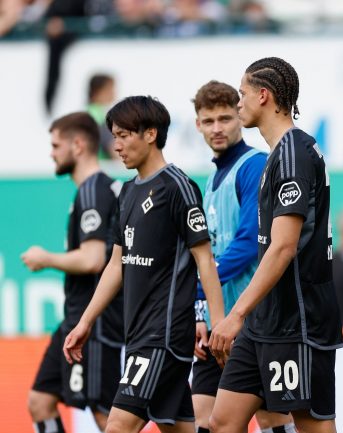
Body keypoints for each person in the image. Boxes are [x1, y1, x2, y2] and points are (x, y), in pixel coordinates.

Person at [62, 96, 225, 433]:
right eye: (114, 136)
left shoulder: (178, 187)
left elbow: (205, 261)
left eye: (123, 136)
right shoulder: (127, 193)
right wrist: (85, 322)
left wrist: (218, 323)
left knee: (117, 425)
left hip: (162, 336)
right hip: (137, 335)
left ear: (150, 134)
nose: (116, 146)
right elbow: (116, 265)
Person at [207, 57, 343, 433]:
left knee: (312, 426)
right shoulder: (279, 154)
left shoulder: (292, 154)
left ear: (263, 95)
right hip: (264, 319)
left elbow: (283, 247)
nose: (238, 103)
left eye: (242, 94)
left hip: (297, 319)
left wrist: (235, 314)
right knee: (222, 422)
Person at [190, 80, 295, 433]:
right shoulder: (211, 179)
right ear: (197, 125)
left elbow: (249, 242)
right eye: (208, 121)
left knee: (272, 418)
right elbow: (209, 252)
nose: (217, 128)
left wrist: (199, 287)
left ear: (239, 116)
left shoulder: (254, 166)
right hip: (219, 321)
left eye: (224, 118)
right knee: (204, 416)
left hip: (254, 318)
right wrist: (201, 310)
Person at [21, 112, 124, 433]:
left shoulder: (93, 190)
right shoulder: (94, 189)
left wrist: (45, 259)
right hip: (75, 318)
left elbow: (93, 259)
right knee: (40, 400)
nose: (51, 153)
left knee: (106, 417)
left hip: (95, 322)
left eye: (56, 145)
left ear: (77, 145)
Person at [86, 73, 119, 161]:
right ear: (98, 91)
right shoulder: (98, 116)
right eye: (110, 89)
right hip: (102, 165)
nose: (114, 93)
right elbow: (112, 146)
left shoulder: (85, 112)